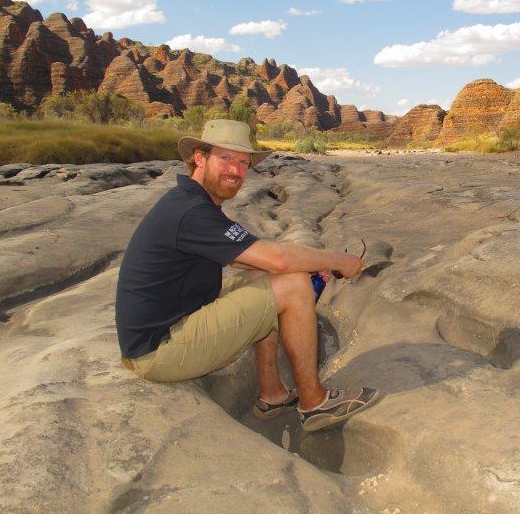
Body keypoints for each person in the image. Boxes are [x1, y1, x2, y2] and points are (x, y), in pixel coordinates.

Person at [115, 119, 380, 432]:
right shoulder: (190, 212)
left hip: (170, 328)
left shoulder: (195, 203)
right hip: (158, 351)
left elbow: (251, 260)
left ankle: (273, 394)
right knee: (293, 286)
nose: (236, 171)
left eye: (243, 163)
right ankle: (314, 403)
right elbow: (279, 260)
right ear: (199, 158)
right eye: (226, 159)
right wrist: (338, 260)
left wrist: (308, 264)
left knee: (264, 278)